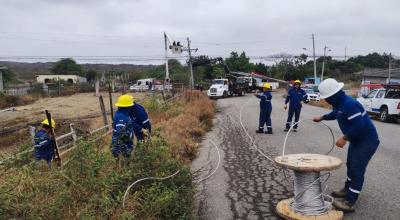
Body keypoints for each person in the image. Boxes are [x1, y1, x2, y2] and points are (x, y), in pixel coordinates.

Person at [313, 78, 380, 212]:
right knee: (350, 164)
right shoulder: (339, 104)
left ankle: (349, 202)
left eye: (327, 98)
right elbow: (335, 114)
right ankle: (347, 189)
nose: (326, 100)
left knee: (357, 169)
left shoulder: (349, 104)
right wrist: (322, 117)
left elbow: (358, 125)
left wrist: (344, 138)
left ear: (334, 95)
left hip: (367, 140)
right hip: (357, 140)